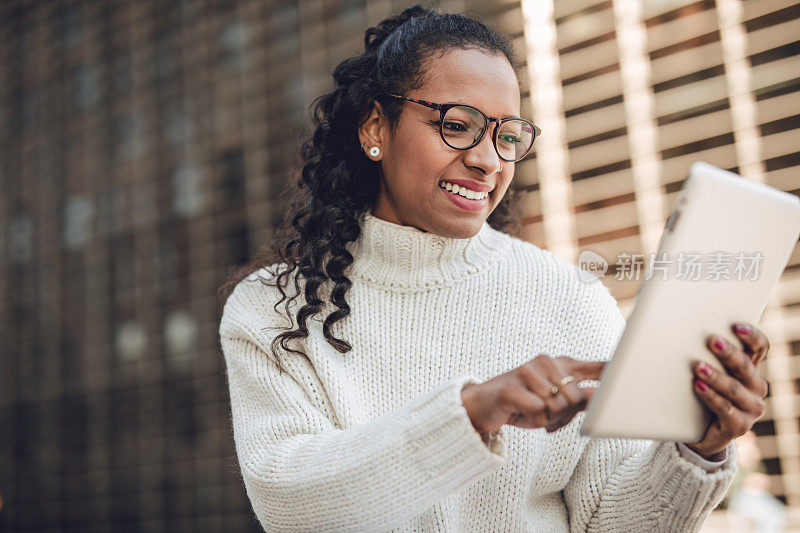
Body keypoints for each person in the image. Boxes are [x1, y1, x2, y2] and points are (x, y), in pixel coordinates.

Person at [217, 5, 771, 531]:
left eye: (507, 136)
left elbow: (610, 523)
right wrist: (472, 414)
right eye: (457, 125)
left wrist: (699, 448)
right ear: (375, 129)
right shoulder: (271, 309)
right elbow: (291, 504)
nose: (486, 160)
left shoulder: (569, 298)